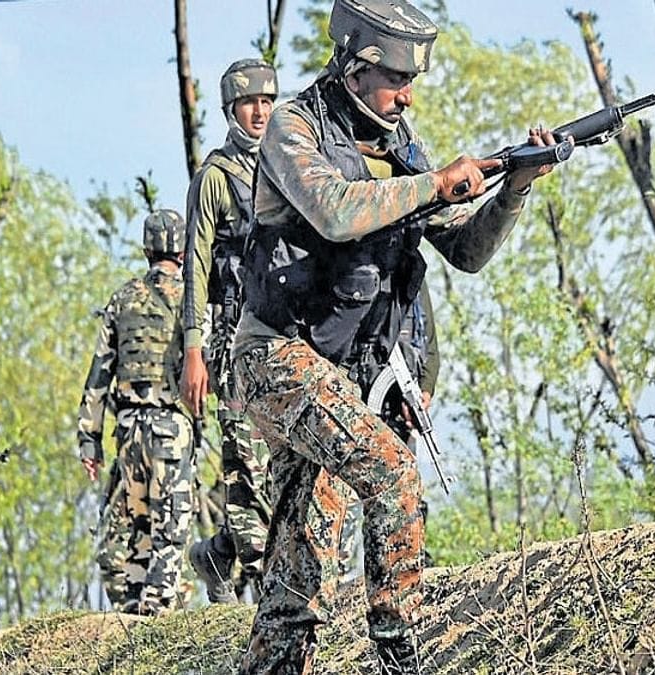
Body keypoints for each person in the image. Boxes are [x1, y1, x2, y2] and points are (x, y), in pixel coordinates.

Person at [232, 0, 556, 671]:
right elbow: (332, 211)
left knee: (302, 560)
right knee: (390, 469)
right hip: (274, 355)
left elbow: (464, 250)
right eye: (395, 80)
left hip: (336, 369)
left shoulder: (403, 147)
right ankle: (399, 650)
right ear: (353, 69)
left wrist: (512, 189)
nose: (406, 94)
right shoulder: (294, 126)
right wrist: (434, 184)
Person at [181, 58, 279, 604]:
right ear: (230, 110)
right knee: (244, 459)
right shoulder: (215, 177)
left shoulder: (289, 164)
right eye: (249, 103)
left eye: (267, 102)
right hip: (231, 334)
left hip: (283, 330)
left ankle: (218, 553)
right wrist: (194, 348)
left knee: (281, 459)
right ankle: (271, 592)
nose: (260, 112)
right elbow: (195, 264)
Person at [77, 209, 196, 616]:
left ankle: (131, 611)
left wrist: (88, 439)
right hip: (172, 429)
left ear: (147, 249)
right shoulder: (194, 301)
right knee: (170, 529)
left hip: (128, 432)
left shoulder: (123, 298)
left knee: (128, 531)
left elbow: (98, 374)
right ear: (182, 251)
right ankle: (158, 614)